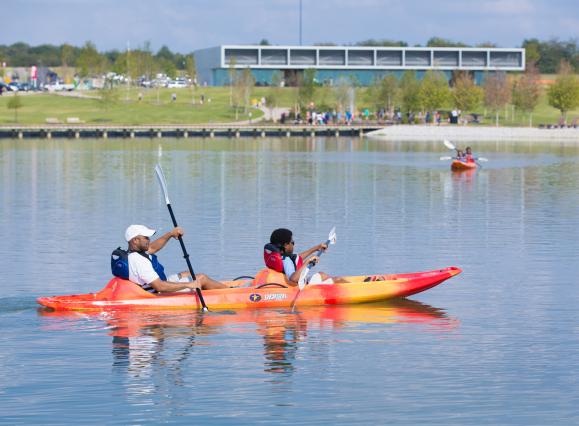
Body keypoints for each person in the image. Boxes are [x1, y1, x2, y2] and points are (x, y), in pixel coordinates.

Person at [124, 224, 227, 294]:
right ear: (135, 240)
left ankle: (212, 288)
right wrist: (189, 284)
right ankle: (231, 293)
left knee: (187, 273)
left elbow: (153, 247)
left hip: (159, 283)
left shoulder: (134, 253)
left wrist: (170, 234)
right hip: (159, 293)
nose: (149, 240)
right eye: (146, 238)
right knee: (202, 278)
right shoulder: (139, 261)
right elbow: (160, 287)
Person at [263, 228, 346, 286]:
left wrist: (316, 248)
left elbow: (297, 259)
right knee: (338, 280)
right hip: (299, 288)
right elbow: (294, 279)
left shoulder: (283, 257)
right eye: (292, 242)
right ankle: (356, 289)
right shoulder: (287, 261)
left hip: (300, 284)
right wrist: (308, 262)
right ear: (285, 245)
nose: (293, 244)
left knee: (322, 274)